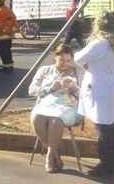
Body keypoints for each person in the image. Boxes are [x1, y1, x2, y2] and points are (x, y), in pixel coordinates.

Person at [29, 44, 82, 173]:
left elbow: (86, 95)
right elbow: (31, 90)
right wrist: (51, 88)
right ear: (55, 58)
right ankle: (55, 154)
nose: (65, 63)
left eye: (69, 60)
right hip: (46, 104)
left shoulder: (77, 72)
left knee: (56, 119)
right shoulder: (45, 70)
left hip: (69, 106)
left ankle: (49, 157)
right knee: (36, 118)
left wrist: (73, 88)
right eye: (62, 60)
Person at [74, 11, 114, 178]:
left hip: (101, 91)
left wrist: (89, 67)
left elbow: (77, 58)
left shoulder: (100, 44)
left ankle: (106, 166)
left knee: (104, 131)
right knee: (110, 129)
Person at [0, 0, 18, 72]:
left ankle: (6, 67)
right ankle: (10, 66)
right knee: (8, 51)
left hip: (2, 35)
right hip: (9, 34)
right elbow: (14, 19)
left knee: (3, 52)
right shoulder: (8, 10)